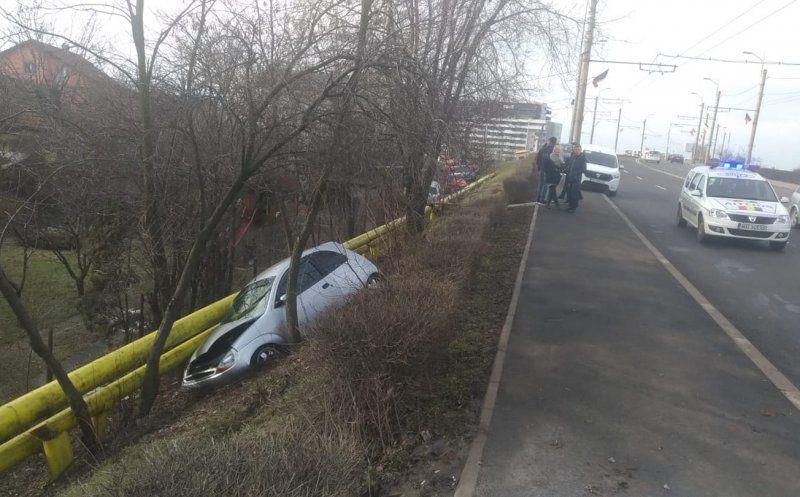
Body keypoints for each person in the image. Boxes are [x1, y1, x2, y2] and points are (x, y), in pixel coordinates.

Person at [535, 137, 558, 204]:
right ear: (555, 142)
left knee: (540, 184)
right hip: (548, 170)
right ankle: (541, 199)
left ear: (549, 141)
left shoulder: (543, 148)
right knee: (545, 185)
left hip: (542, 168)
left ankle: (538, 198)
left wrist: (539, 167)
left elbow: (538, 159)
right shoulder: (554, 150)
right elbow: (554, 162)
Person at [566, 143, 587, 212]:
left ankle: (573, 208)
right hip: (570, 177)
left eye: (578, 149)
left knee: (574, 193)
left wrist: (576, 174)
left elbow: (584, 169)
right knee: (569, 192)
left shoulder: (583, 158)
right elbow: (569, 165)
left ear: (580, 150)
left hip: (577, 179)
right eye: (575, 149)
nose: (576, 151)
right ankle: (570, 206)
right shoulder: (573, 156)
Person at [543, 144, 564, 209]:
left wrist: (561, 167)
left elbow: (562, 167)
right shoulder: (550, 156)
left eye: (559, 150)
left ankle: (548, 204)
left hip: (557, 176)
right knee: (552, 190)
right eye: (556, 150)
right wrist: (549, 172)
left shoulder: (560, 157)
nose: (557, 151)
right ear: (554, 150)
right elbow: (545, 167)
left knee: (552, 190)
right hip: (550, 176)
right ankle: (556, 204)